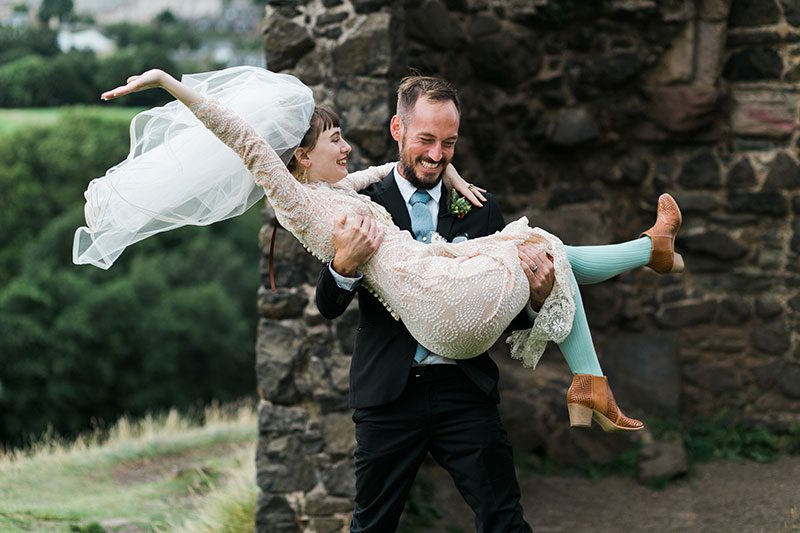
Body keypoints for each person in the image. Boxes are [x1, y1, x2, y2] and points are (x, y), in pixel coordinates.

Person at [314, 75, 681, 531]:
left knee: (505, 522)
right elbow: (327, 306)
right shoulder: (362, 201)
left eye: (449, 143)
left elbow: (499, 316)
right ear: (397, 130)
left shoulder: (481, 207)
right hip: (389, 394)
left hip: (464, 391)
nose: (436, 155)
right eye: (426, 140)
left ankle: (648, 256)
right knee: (371, 527)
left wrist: (541, 295)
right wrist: (343, 267)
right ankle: (648, 254)